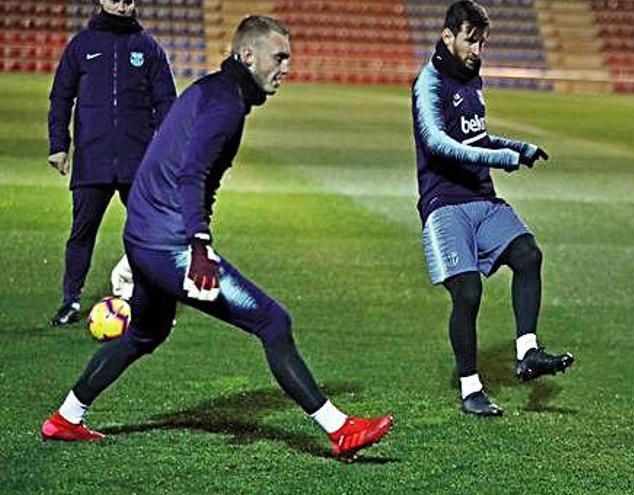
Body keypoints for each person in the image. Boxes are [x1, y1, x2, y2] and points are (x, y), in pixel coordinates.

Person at [41, 15, 393, 459]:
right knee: (273, 321)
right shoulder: (225, 105)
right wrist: (200, 245)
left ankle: (65, 418)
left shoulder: (214, 91)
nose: (286, 68)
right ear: (247, 55)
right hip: (172, 247)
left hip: (146, 239)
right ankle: (339, 429)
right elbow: (192, 173)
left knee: (145, 334)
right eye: (279, 57)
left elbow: (190, 172)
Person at [411, 0, 574, 417]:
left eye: (482, 42)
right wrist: (502, 159)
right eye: (471, 40)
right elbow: (437, 142)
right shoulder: (428, 82)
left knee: (528, 255)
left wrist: (517, 147)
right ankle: (470, 389)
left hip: (481, 197)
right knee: (467, 292)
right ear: (448, 36)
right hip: (444, 203)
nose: (477, 50)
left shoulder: (472, 77)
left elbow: (476, 135)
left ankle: (528, 352)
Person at [48, 0, 176, 326]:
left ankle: (154, 304)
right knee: (82, 233)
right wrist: (59, 145)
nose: (122, 4)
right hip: (93, 159)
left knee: (149, 233)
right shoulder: (82, 45)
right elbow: (61, 96)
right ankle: (70, 301)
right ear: (101, 1)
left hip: (139, 161)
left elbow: (166, 102)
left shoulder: (149, 48)